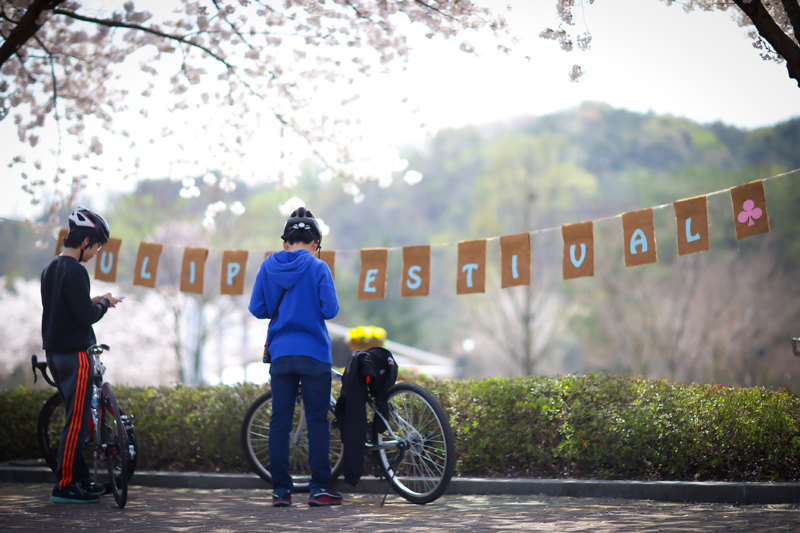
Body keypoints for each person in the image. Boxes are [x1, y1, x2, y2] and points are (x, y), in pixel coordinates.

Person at [248, 207, 341, 507]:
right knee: (316, 422)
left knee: (280, 422)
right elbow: (331, 310)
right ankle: (318, 490)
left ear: (286, 242)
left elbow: (258, 309)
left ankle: (280, 492)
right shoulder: (318, 268)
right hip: (315, 354)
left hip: (281, 354)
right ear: (316, 244)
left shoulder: (267, 266)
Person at [41, 206, 123, 503]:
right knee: (76, 422)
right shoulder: (77, 271)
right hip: (75, 355)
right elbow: (85, 316)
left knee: (72, 419)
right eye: (97, 246)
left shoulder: (51, 268)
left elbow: (64, 310)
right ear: (85, 242)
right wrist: (105, 304)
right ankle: (64, 485)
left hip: (54, 353)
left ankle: (80, 480)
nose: (96, 252)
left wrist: (93, 300)